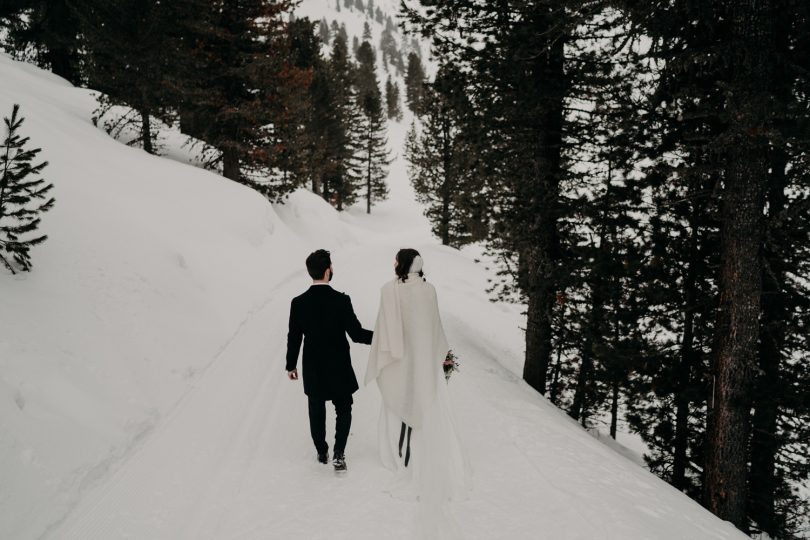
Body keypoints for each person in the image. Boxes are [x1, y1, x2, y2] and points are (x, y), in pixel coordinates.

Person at [366, 248, 470, 538]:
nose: (393, 263)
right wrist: (441, 358)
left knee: (399, 402)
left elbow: (384, 330)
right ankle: (417, 454)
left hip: (399, 363)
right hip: (424, 363)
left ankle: (401, 458)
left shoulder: (390, 291)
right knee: (424, 404)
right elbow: (435, 329)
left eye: (396, 259)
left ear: (402, 264)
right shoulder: (429, 290)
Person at [286, 249, 373, 472]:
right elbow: (356, 334)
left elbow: (294, 336)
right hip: (339, 365)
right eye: (331, 267)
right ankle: (339, 453)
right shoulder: (341, 300)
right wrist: (383, 337)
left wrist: (291, 365)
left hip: (313, 366)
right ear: (327, 271)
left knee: (316, 409)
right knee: (344, 408)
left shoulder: (298, 303)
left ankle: (322, 451)